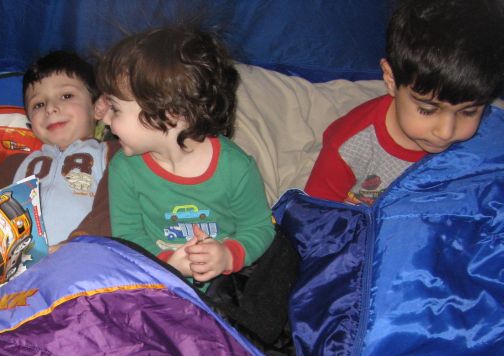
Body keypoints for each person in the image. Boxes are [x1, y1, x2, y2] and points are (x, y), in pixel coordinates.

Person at [93, 25, 274, 285]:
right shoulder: (124, 168)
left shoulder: (235, 168)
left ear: (169, 114)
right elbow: (128, 235)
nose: (106, 120)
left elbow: (259, 227)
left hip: (225, 290)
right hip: (158, 280)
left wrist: (227, 255)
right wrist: (166, 263)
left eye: (116, 109)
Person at [305, 0, 504, 204]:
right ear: (391, 79)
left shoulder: (490, 131)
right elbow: (315, 212)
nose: (446, 132)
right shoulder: (349, 148)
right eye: (427, 110)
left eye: (468, 112)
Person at [0, 50, 118, 246]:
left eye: (66, 96)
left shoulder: (113, 153)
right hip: (19, 259)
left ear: (98, 107)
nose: (50, 108)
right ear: (30, 123)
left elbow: (114, 207)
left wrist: (77, 243)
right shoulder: (13, 166)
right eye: (38, 104)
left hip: (85, 254)